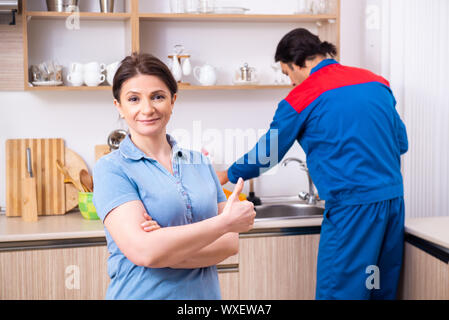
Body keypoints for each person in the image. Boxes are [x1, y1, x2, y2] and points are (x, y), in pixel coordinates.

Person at [216, 28, 408, 300]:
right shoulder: (376, 82)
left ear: (298, 63)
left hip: (352, 210)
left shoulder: (303, 95)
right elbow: (401, 143)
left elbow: (268, 154)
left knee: (338, 293)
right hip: (392, 204)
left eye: (287, 74)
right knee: (378, 288)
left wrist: (228, 174)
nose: (291, 83)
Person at [93, 53, 256, 300]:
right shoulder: (112, 169)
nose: (147, 109)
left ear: (173, 100)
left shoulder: (199, 163)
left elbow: (229, 244)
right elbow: (145, 252)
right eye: (134, 99)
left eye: (158, 96)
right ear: (119, 106)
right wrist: (223, 224)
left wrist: (164, 247)